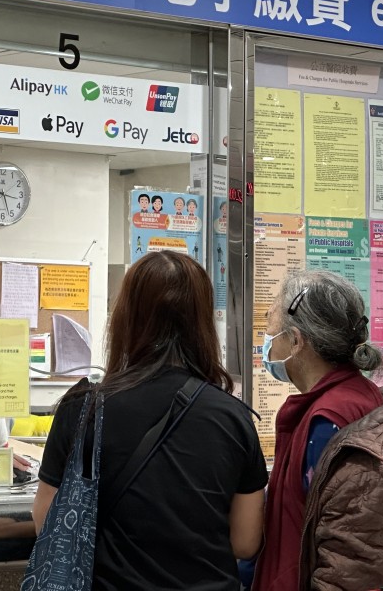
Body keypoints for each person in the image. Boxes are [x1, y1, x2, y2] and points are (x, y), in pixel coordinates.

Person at [33, 251, 266, 591]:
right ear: (202, 323)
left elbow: (47, 522)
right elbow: (245, 542)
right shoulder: (233, 417)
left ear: (125, 318)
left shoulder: (84, 408)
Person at [252, 270, 383, 591]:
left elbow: (351, 560)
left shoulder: (330, 420)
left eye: (271, 327)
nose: (266, 340)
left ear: (296, 341)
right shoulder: (361, 397)